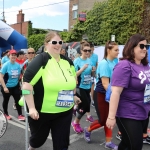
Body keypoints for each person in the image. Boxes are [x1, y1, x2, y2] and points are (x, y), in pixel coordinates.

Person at [22, 31, 81, 150]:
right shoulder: (41, 60)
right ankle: (32, 147)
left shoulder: (68, 62)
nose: (58, 45)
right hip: (43, 112)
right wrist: (32, 108)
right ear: (46, 44)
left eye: (60, 42)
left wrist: (73, 95)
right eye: (54, 42)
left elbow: (72, 81)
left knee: (62, 144)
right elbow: (26, 85)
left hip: (65, 111)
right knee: (38, 140)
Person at [106, 34, 150, 150]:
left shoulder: (145, 65)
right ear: (132, 47)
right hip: (128, 112)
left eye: (146, 46)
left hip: (142, 110)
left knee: (126, 143)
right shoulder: (124, 65)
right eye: (141, 46)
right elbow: (115, 92)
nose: (145, 49)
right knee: (135, 145)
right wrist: (111, 117)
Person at [84, 41, 119, 150]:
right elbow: (105, 84)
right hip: (101, 94)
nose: (118, 52)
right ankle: (88, 129)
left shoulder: (116, 61)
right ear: (109, 51)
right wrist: (115, 95)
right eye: (116, 50)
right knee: (104, 120)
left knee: (110, 117)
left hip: (111, 93)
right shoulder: (104, 63)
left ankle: (108, 142)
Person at [71, 41, 96, 134]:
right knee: (85, 105)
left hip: (87, 86)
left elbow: (92, 74)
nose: (87, 52)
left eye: (89, 50)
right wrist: (82, 69)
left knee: (85, 104)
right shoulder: (77, 61)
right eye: (85, 50)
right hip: (79, 86)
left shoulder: (90, 60)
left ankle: (76, 111)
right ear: (81, 51)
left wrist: (93, 71)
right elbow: (73, 75)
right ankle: (75, 123)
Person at [0, 49, 25, 121]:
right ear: (9, 56)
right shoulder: (6, 65)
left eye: (14, 55)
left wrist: (20, 84)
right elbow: (1, 77)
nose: (13, 56)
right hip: (7, 86)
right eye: (12, 55)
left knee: (17, 100)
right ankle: (5, 113)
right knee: (6, 100)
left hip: (15, 86)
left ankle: (20, 114)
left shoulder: (17, 65)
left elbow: (19, 75)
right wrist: (4, 87)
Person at [89, 42, 98, 107]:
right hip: (86, 73)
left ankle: (93, 100)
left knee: (93, 86)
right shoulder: (87, 55)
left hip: (93, 73)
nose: (93, 49)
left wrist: (96, 70)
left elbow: (97, 64)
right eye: (92, 48)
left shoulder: (96, 56)